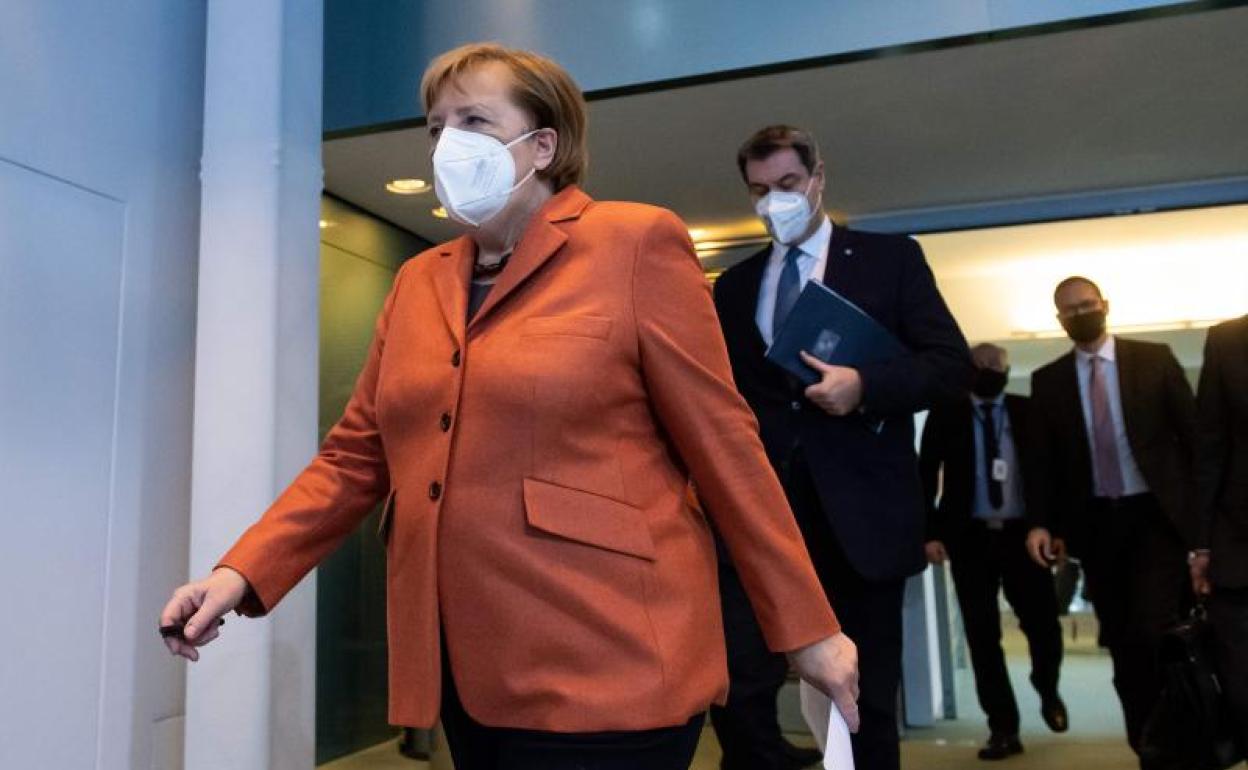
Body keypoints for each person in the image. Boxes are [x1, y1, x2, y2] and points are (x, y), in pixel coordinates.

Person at [159, 44, 860, 770]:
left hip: (610, 651)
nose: (447, 144)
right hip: (465, 666)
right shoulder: (418, 281)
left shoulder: (634, 242)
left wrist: (806, 627)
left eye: (474, 121)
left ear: (543, 145)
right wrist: (240, 574)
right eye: (436, 127)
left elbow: (724, 446)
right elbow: (354, 457)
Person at [711, 124, 972, 770]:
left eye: (788, 184)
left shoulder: (890, 260)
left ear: (819, 178)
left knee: (865, 702)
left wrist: (865, 386)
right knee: (742, 687)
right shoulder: (734, 287)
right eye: (760, 190)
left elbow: (949, 366)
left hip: (862, 521)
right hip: (766, 521)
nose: (775, 200)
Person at [1026, 276, 1195, 767]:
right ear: (1059, 319)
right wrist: (1041, 523)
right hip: (1097, 527)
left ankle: (1174, 739)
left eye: (1087, 305)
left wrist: (1202, 529)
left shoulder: (1154, 360)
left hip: (1155, 518)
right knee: (1123, 643)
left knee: (1150, 630)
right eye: (1069, 310)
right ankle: (1147, 744)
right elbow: (1043, 464)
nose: (1080, 314)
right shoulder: (1048, 381)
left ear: (1105, 305)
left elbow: (1191, 438)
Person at [919, 343, 1066, 760]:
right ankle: (1003, 727)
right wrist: (929, 533)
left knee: (1044, 627)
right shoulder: (946, 414)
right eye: (980, 365)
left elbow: (1053, 474)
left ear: (1007, 369)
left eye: (995, 365)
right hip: (970, 540)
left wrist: (1054, 529)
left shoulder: (1030, 411)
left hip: (1025, 538)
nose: (988, 370)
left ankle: (1047, 685)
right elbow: (924, 474)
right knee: (982, 636)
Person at [1190, 314, 1248, 751]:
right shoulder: (1228, 341)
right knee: (1241, 677)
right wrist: (1201, 544)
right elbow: (1209, 446)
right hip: (1237, 538)